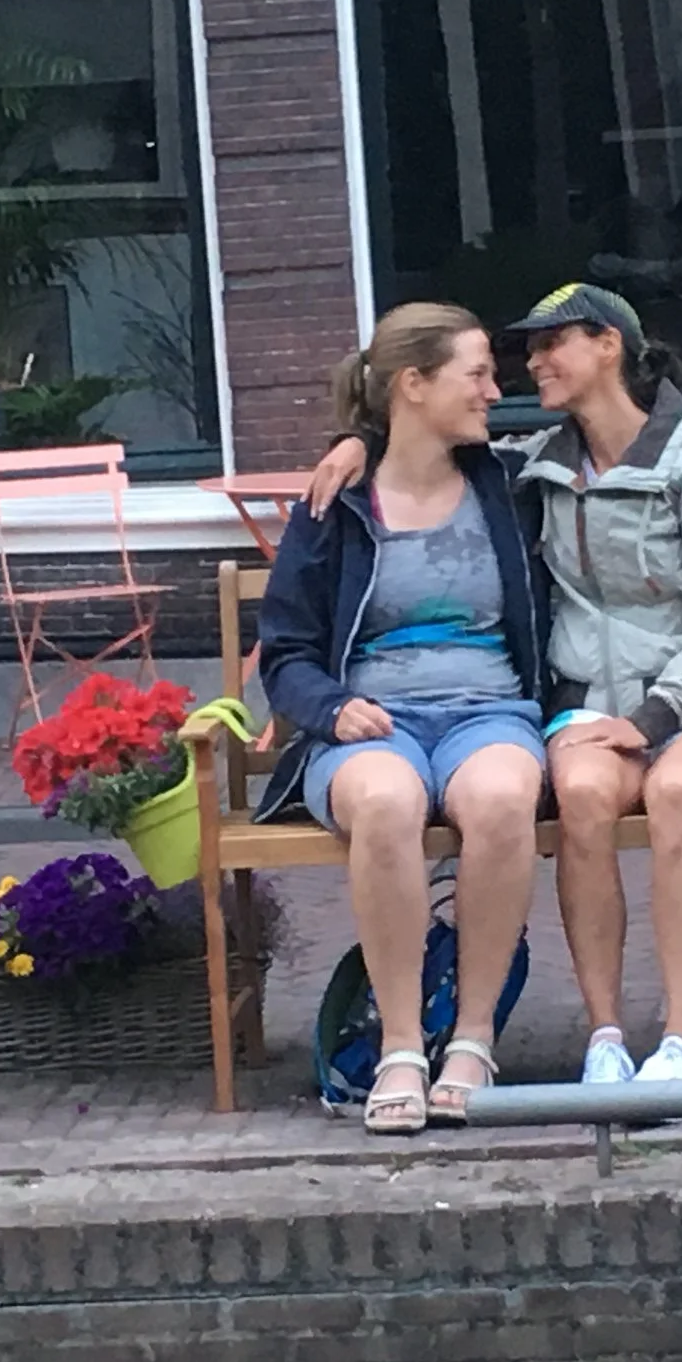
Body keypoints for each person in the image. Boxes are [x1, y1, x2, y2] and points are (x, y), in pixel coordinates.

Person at [310, 283, 682, 1089]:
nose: (530, 365)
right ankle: (604, 1038)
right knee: (582, 792)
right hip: (593, 711)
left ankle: (681, 1043)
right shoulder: (538, 468)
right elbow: (421, 437)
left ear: (608, 347)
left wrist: (656, 713)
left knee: (674, 790)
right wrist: (359, 438)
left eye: (550, 345)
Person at [256, 302, 551, 1135]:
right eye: (479, 374)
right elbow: (285, 649)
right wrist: (330, 706)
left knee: (499, 799)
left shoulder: (507, 482)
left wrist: (362, 434)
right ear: (413, 385)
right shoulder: (339, 503)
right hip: (369, 721)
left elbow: (600, 444)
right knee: (385, 803)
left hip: (489, 709)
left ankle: (472, 1038)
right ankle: (397, 1045)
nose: (498, 390)